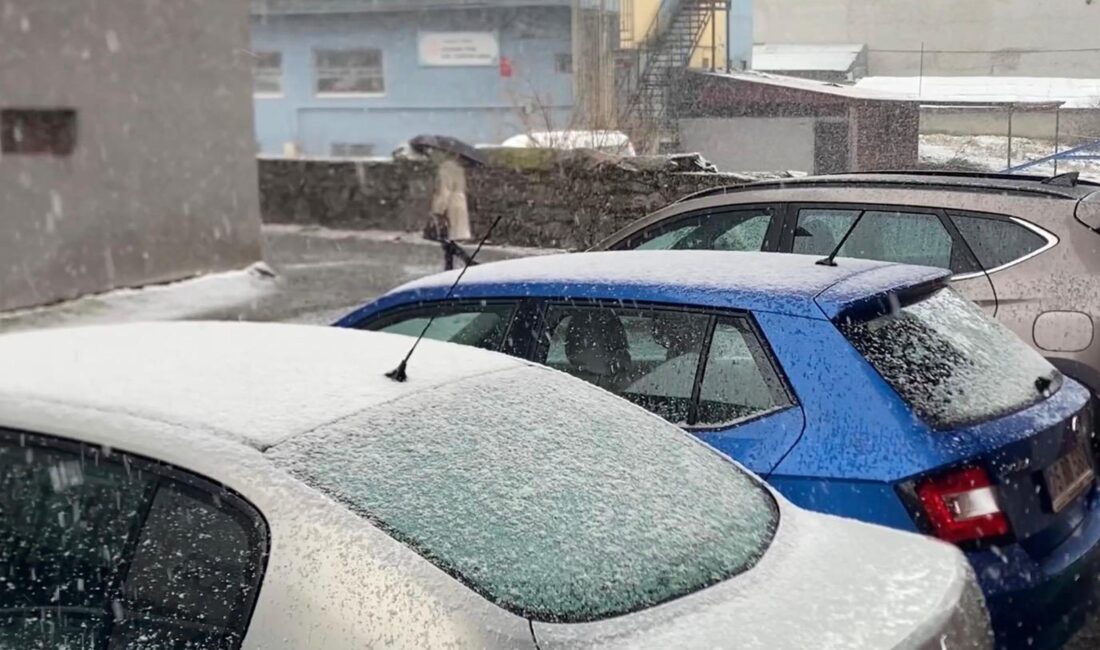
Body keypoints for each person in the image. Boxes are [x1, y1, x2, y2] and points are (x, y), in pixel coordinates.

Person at [427, 150, 471, 270]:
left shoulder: (445, 169)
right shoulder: (459, 169)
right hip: (460, 202)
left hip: (450, 204)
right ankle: (450, 264)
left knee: (445, 237)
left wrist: (439, 209)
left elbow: (444, 191)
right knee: (449, 238)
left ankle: (466, 260)